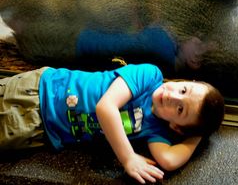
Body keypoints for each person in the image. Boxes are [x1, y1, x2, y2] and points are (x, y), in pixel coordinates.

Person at [0, 63, 224, 183]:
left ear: (176, 127)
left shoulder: (157, 131)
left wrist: (197, 135)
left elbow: (167, 160)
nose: (173, 96)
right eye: (184, 89)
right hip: (41, 91)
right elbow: (105, 107)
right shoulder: (149, 76)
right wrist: (129, 158)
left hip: (42, 130)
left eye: (180, 109)